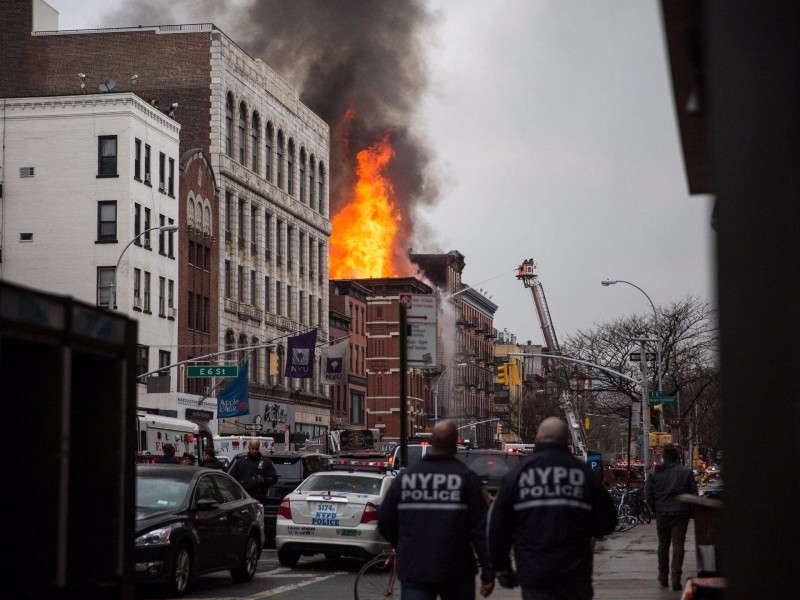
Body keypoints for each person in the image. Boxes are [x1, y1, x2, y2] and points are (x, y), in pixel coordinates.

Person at [488, 416, 617, 600]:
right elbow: (607, 522)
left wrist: (501, 568)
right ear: (566, 440)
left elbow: (498, 527)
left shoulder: (517, 475)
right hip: (575, 574)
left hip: (535, 574)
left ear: (538, 439)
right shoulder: (584, 474)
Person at [378, 420, 495, 599]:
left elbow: (385, 521)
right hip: (457, 568)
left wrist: (401, 544)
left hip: (415, 567)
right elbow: (480, 530)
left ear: (431, 441)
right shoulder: (466, 479)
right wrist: (487, 570)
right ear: (455, 444)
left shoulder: (406, 477)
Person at [645, 443, 698, 591]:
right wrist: (690, 511)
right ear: (676, 457)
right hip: (680, 514)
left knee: (663, 544)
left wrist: (654, 509)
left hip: (662, 513)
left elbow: (648, 494)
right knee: (678, 545)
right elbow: (693, 494)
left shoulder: (654, 472)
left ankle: (663, 576)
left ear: (663, 456)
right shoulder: (686, 472)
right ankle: (676, 577)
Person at [227, 439, 278, 504]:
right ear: (248, 447)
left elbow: (274, 478)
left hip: (259, 497)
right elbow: (231, 477)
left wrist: (263, 480)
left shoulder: (266, 461)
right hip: (243, 497)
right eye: (252, 448)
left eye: (256, 449)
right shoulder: (241, 461)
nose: (254, 451)